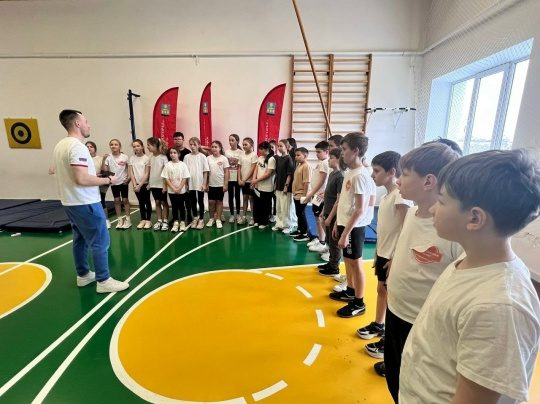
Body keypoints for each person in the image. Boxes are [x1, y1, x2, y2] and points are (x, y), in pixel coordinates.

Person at [400, 149, 540, 404]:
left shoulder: (498, 306)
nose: (433, 208)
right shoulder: (468, 261)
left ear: (475, 218)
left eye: (442, 201)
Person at [382, 142, 462, 400]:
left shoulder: (451, 231)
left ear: (428, 181)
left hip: (421, 324)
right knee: (394, 377)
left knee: (414, 387)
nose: (398, 180)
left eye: (405, 174)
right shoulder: (413, 213)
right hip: (396, 311)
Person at [53, 109, 129, 293]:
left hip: (70, 202)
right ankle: (104, 280)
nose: (89, 124)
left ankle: (83, 275)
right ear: (77, 123)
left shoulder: (60, 145)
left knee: (80, 239)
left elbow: (75, 175)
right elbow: (81, 178)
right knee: (100, 241)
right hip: (84, 202)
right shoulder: (77, 147)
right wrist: (108, 180)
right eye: (86, 121)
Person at [357, 151, 412, 362]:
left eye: (377, 171)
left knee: (391, 297)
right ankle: (378, 324)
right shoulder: (387, 196)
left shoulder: (400, 196)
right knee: (381, 290)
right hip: (384, 253)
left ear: (391, 172)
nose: (373, 175)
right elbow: (386, 229)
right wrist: (378, 253)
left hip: (393, 256)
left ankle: (388, 339)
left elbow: (406, 229)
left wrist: (395, 257)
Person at [328, 133, 376, 318]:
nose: (342, 153)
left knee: (356, 263)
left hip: (354, 227)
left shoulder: (361, 176)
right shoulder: (350, 172)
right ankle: (350, 290)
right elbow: (345, 203)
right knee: (347, 260)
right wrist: (337, 224)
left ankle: (359, 302)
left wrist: (345, 233)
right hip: (345, 224)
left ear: (356, 151)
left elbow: (360, 209)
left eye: (344, 149)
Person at [317, 147, 345, 274]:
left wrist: (330, 217)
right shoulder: (332, 174)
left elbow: (339, 200)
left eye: (331, 158)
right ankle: (331, 262)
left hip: (334, 214)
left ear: (338, 159)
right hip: (328, 211)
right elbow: (328, 195)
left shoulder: (340, 176)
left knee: (334, 242)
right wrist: (323, 210)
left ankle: (334, 267)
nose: (328, 160)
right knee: (329, 240)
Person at [305, 141, 330, 252]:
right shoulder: (321, 162)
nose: (317, 154)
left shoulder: (324, 163)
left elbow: (322, 181)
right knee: (316, 217)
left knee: (319, 218)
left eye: (319, 152)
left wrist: (311, 193)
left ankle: (322, 241)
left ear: (326, 152)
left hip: (320, 195)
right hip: (317, 195)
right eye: (316, 152)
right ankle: (320, 238)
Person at [103, 139, 131, 229]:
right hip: (114, 183)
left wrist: (128, 178)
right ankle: (120, 220)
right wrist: (104, 159)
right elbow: (105, 170)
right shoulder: (108, 157)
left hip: (123, 181)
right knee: (116, 200)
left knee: (125, 200)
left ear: (119, 146)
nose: (113, 146)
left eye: (116, 144)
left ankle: (128, 220)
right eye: (111, 144)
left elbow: (129, 168)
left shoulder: (125, 157)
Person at [162, 148, 191, 232]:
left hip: (181, 191)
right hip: (172, 191)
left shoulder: (183, 165)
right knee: (174, 206)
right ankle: (175, 222)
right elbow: (166, 178)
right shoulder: (168, 165)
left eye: (174, 152)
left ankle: (182, 222)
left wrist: (179, 188)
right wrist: (173, 188)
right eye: (171, 153)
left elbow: (185, 177)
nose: (172, 154)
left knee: (181, 206)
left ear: (178, 154)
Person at [184, 137, 209, 230]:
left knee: (200, 201)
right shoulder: (187, 157)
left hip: (200, 183)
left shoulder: (202, 157)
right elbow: (185, 171)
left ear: (198, 145)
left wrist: (204, 184)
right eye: (191, 144)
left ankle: (201, 219)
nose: (192, 146)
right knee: (193, 201)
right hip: (191, 183)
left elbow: (205, 171)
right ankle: (195, 218)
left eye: (194, 144)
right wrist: (186, 183)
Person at [85, 141, 110, 228]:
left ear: (95, 148)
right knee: (90, 202)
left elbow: (104, 171)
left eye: (91, 146)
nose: (89, 148)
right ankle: (94, 221)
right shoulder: (84, 159)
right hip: (89, 183)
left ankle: (106, 220)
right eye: (87, 147)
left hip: (100, 182)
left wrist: (104, 159)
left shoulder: (100, 158)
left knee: (101, 200)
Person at [251, 141, 276, 229]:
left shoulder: (271, 159)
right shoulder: (260, 158)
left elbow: (268, 174)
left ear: (267, 149)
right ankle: (257, 220)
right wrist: (254, 180)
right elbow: (256, 169)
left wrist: (256, 180)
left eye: (261, 149)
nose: (260, 151)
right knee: (257, 204)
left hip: (267, 187)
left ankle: (264, 222)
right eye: (260, 149)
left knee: (265, 205)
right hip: (258, 186)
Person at [146, 137, 169, 231]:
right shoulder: (150, 157)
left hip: (161, 184)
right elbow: (149, 171)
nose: (147, 147)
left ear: (155, 146)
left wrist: (165, 185)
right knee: (157, 202)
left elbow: (166, 173)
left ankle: (165, 221)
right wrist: (149, 183)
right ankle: (159, 220)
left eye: (149, 145)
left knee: (164, 202)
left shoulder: (163, 157)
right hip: (153, 184)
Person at [128, 139, 152, 229]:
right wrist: (134, 184)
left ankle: (148, 220)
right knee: (141, 202)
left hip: (144, 184)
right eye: (134, 146)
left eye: (138, 146)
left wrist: (140, 185)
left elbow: (146, 173)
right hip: (136, 184)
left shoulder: (146, 158)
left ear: (142, 147)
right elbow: (131, 173)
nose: (136, 148)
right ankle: (143, 219)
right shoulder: (132, 158)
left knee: (147, 201)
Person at [205, 140, 229, 229]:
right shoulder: (208, 158)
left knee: (219, 202)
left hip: (220, 184)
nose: (214, 148)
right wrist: (206, 184)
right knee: (211, 202)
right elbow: (206, 173)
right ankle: (211, 219)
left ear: (220, 148)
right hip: (211, 185)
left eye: (216, 147)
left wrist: (225, 184)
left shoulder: (224, 158)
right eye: (212, 147)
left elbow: (226, 172)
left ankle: (218, 219)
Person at [290, 147, 312, 242]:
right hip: (297, 194)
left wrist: (304, 196)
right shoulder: (299, 165)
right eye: (295, 155)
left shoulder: (306, 166)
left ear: (305, 156)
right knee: (298, 213)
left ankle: (304, 233)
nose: (296, 157)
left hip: (301, 194)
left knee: (301, 214)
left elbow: (306, 182)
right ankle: (299, 230)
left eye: (298, 155)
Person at [273, 139, 295, 232]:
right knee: (278, 206)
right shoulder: (278, 159)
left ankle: (287, 226)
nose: (279, 148)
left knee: (285, 208)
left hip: (286, 188)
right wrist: (275, 185)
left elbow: (289, 175)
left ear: (287, 147)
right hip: (278, 186)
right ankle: (279, 224)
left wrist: (286, 186)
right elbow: (277, 174)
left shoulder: (289, 159)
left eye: (281, 146)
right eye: (278, 146)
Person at [237, 137, 258, 225]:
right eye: (243, 145)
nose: (244, 146)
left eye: (246, 144)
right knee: (245, 198)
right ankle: (244, 217)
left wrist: (245, 179)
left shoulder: (254, 155)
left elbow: (253, 169)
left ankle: (253, 218)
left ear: (251, 145)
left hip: (250, 181)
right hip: (243, 181)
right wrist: (239, 179)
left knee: (251, 198)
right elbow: (239, 167)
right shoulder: (241, 155)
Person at [225, 134, 243, 223]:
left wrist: (241, 178)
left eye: (232, 140)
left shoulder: (241, 152)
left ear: (237, 141)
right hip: (229, 178)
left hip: (237, 177)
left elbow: (241, 165)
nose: (230, 142)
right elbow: (225, 166)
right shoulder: (226, 152)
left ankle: (238, 214)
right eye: (229, 140)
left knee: (237, 196)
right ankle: (232, 214)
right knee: (230, 196)